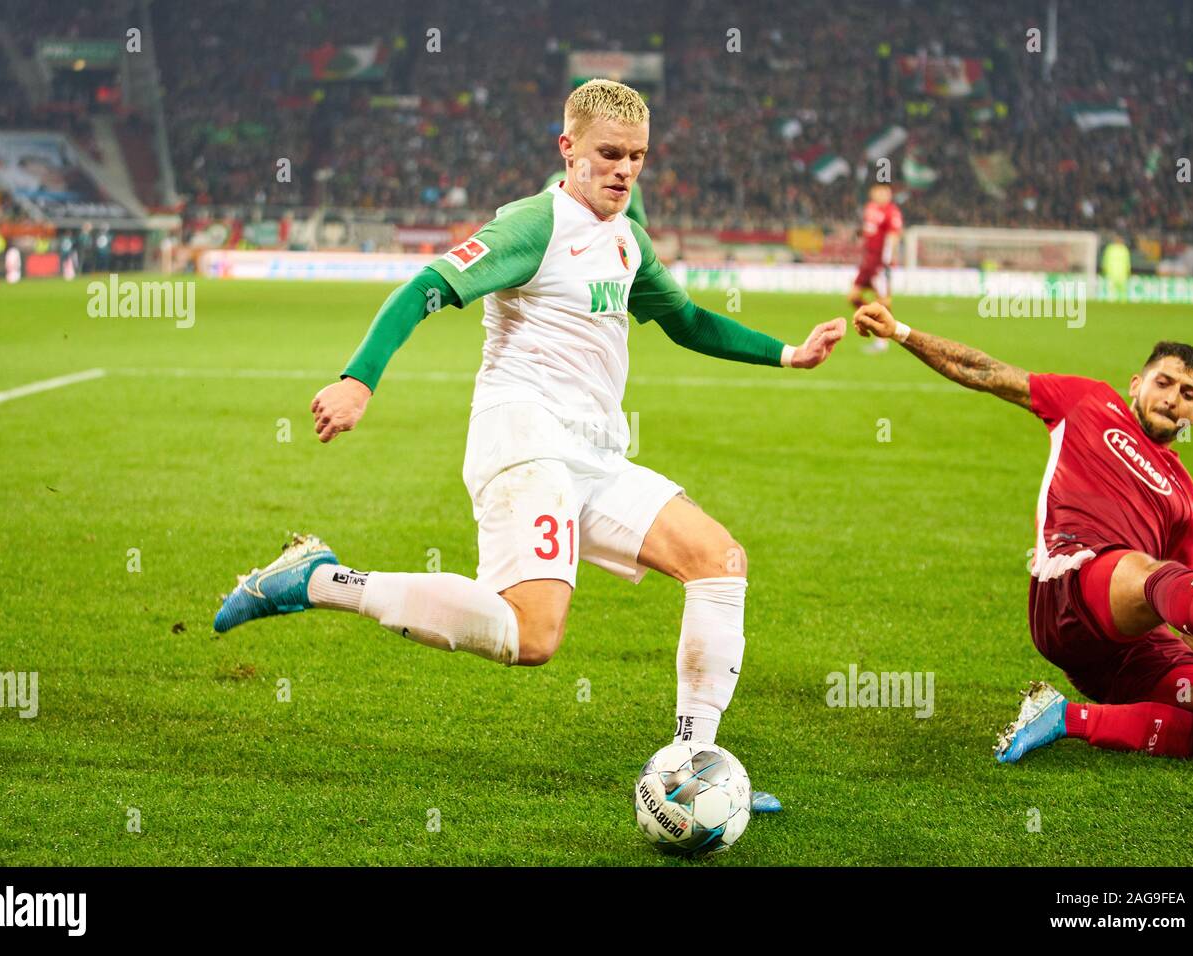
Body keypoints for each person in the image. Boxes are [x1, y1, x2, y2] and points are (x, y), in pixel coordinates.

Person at [215, 79, 847, 810]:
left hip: (595, 453)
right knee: (533, 635)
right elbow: (426, 285)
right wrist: (358, 380)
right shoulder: (532, 225)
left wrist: (788, 354)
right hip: (523, 439)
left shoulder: (626, 237)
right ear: (567, 147)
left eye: (637, 157)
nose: (623, 171)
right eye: (608, 154)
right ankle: (318, 580)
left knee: (717, 560)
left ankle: (692, 758)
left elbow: (686, 320)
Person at [852, 302, 1193, 762]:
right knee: (1146, 571)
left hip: (1121, 649)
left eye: (1188, 394)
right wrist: (901, 331)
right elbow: (984, 371)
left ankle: (1063, 717)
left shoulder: (1185, 496)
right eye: (1164, 382)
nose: (1172, 398)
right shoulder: (1089, 401)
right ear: (1137, 383)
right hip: (1071, 587)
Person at [848, 184, 902, 354]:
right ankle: (872, 319)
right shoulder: (869, 208)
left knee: (883, 301)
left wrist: (888, 259)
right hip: (867, 261)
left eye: (886, 191)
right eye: (879, 191)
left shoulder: (892, 212)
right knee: (852, 296)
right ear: (872, 192)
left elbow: (894, 236)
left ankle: (883, 340)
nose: (883, 194)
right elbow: (868, 231)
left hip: (879, 262)